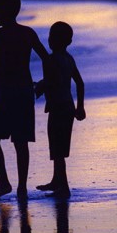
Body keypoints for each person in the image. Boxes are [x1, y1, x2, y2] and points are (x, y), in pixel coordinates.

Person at [0, 0, 49, 202]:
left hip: (4, 95)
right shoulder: (28, 33)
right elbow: (46, 59)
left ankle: (5, 183)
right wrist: (44, 82)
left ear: (6, 11)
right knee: (20, 143)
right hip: (23, 92)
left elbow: (2, 67)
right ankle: (21, 187)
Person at [35, 21, 85, 198]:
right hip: (68, 107)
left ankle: (63, 186)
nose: (49, 40)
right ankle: (57, 180)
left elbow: (51, 81)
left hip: (57, 107)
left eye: (52, 37)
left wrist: (39, 86)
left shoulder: (50, 60)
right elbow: (79, 82)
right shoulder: (69, 58)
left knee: (57, 148)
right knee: (59, 147)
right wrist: (80, 107)